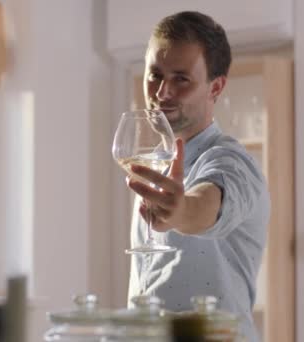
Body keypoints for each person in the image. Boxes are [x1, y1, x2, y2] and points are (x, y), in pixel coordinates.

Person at [125, 11, 270, 341]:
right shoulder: (158, 164)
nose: (162, 92)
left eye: (181, 79)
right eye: (155, 75)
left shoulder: (232, 161)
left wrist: (181, 212)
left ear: (215, 87)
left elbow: (206, 204)